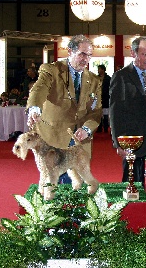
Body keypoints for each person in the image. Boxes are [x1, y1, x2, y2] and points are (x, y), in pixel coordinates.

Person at [26, 34, 103, 183]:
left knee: (78, 186)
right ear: (70, 51)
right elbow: (39, 89)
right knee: (53, 184)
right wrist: (35, 108)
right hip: (53, 138)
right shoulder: (51, 70)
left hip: (79, 142)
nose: (85, 59)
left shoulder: (94, 80)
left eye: (89, 55)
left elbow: (95, 112)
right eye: (82, 54)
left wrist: (87, 129)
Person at [109, 36, 146, 182]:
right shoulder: (121, 77)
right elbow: (115, 113)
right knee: (133, 181)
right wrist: (118, 143)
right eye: (144, 54)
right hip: (133, 139)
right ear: (133, 53)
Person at [97, 64, 110, 133]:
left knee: (105, 114)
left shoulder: (108, 78)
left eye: (99, 69)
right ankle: (99, 128)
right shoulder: (96, 78)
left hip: (105, 98)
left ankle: (105, 127)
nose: (98, 70)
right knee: (98, 114)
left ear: (103, 69)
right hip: (98, 98)